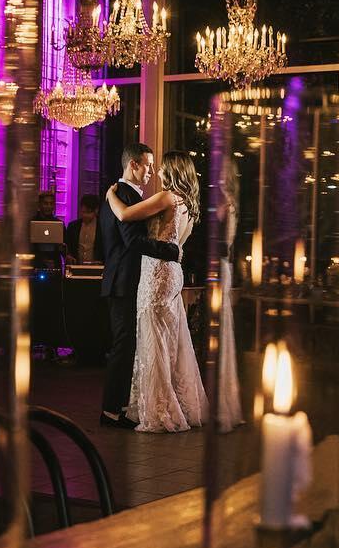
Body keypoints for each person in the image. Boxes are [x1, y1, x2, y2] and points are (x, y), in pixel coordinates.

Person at [106, 150, 207, 433]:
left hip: (158, 273)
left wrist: (110, 195)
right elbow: (178, 246)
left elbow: (125, 215)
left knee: (153, 338)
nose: (158, 171)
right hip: (174, 272)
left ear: (173, 171)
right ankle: (172, 401)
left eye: (162, 167)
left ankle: (159, 407)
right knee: (170, 338)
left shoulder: (167, 197)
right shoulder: (188, 203)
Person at [99, 143, 180, 429]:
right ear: (133, 164)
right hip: (124, 281)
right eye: (147, 165)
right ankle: (110, 411)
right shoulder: (124, 195)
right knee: (123, 346)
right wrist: (172, 251)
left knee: (127, 344)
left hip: (121, 279)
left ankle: (120, 405)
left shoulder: (118, 196)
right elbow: (133, 242)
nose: (150, 172)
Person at [215, 165, 244, 430]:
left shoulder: (224, 202)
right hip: (224, 266)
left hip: (220, 267)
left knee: (221, 329)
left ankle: (222, 401)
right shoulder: (229, 200)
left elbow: (220, 240)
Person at [65, 194, 101, 264]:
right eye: (83, 212)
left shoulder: (102, 227)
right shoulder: (73, 226)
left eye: (88, 212)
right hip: (76, 266)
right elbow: (67, 247)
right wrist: (69, 256)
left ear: (96, 211)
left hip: (96, 267)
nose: (85, 215)